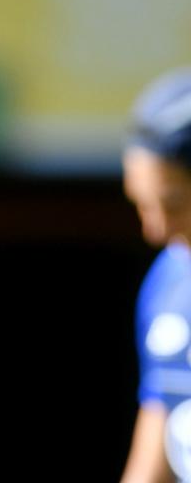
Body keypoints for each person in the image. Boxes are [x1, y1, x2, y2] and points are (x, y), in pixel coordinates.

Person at [122, 69, 191, 482]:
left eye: (175, 203)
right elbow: (155, 452)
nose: (157, 231)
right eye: (141, 204)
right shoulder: (168, 279)